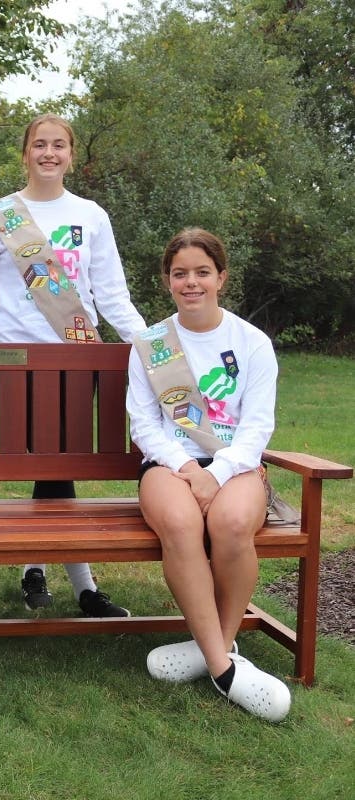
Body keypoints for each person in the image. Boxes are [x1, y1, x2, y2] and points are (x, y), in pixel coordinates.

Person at [0, 113, 144, 617]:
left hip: (78, 352)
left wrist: (149, 345)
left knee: (56, 464)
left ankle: (37, 569)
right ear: (25, 153)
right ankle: (83, 586)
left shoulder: (91, 215)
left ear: (70, 154)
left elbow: (110, 294)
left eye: (58, 145)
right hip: (21, 358)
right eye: (39, 144)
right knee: (53, 462)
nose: (48, 153)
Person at [127, 228, 290, 721]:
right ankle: (224, 667)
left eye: (202, 272)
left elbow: (257, 426)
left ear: (221, 277)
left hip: (235, 463)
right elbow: (144, 423)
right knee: (180, 525)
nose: (191, 282)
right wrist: (183, 467)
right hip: (166, 466)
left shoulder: (252, 342)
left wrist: (216, 473)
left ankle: (209, 644)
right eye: (180, 274)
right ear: (167, 281)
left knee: (232, 524)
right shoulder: (152, 344)